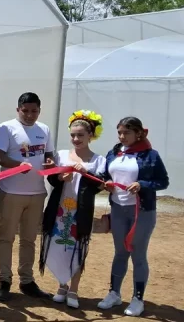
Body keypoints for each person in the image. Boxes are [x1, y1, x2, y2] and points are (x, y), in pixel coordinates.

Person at [97, 117, 169, 317]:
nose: (122, 136)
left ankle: (138, 299)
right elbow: (104, 175)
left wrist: (142, 185)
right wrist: (106, 182)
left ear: (138, 133)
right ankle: (114, 293)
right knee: (120, 252)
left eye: (126, 133)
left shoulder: (151, 155)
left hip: (142, 211)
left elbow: (163, 181)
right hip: (118, 209)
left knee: (138, 254)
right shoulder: (114, 153)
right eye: (119, 132)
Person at [39, 110, 106, 309]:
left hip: (81, 213)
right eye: (73, 135)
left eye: (81, 135)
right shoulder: (60, 155)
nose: (76, 139)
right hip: (60, 211)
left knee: (77, 248)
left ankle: (74, 289)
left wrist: (86, 172)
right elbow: (51, 177)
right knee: (59, 246)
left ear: (91, 136)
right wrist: (60, 177)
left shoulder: (98, 160)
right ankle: (62, 286)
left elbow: (100, 185)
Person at [0, 92, 54, 301]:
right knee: (7, 237)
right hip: (12, 192)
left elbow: (48, 155)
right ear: (18, 109)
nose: (29, 115)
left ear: (39, 111)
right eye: (25, 110)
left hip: (37, 193)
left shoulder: (44, 129)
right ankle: (5, 280)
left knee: (29, 239)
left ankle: (27, 281)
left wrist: (49, 164)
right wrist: (18, 166)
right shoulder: (6, 128)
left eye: (34, 111)